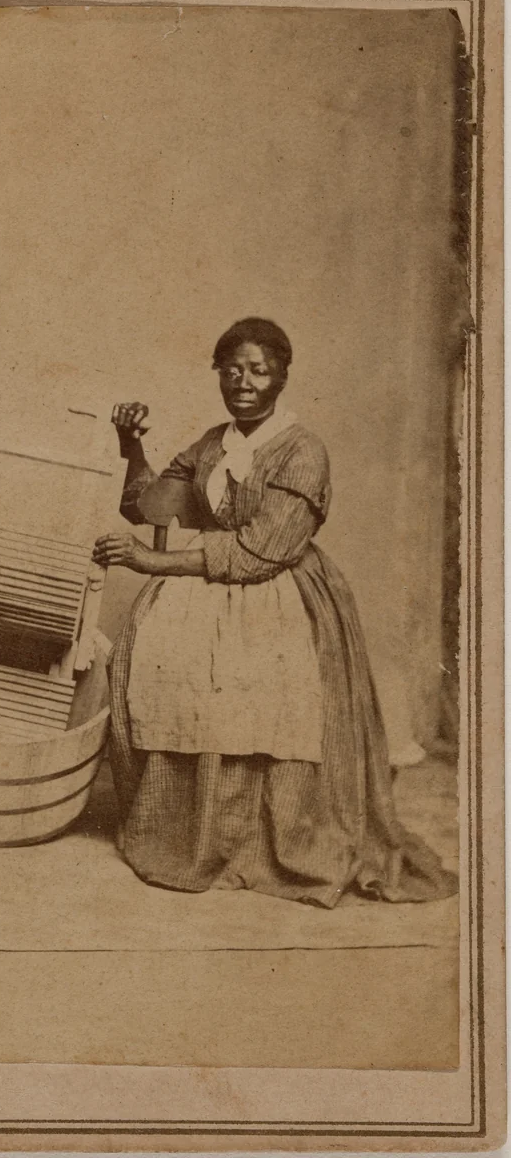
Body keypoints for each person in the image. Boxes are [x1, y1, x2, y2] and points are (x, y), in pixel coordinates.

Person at [93, 317, 458, 907]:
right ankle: (194, 834)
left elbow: (260, 551)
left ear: (283, 377)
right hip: (207, 582)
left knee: (267, 690)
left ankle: (268, 836)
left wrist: (148, 565)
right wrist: (130, 443)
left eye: (258, 371)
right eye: (231, 370)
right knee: (163, 666)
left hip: (281, 590)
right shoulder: (213, 443)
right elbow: (148, 507)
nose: (243, 381)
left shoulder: (302, 451)